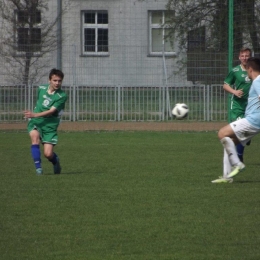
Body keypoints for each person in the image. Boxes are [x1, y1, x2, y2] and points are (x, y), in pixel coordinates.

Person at [214, 57, 260, 180]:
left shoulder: (257, 81)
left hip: (253, 120)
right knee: (228, 142)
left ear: (250, 69)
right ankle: (226, 177)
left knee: (222, 133)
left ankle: (237, 163)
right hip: (256, 123)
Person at [24, 68, 67, 175]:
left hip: (50, 124)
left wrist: (34, 114)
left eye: (59, 81)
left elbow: (51, 111)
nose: (57, 83)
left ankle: (56, 161)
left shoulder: (62, 96)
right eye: (55, 80)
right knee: (35, 139)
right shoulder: (41, 88)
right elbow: (39, 102)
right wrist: (34, 116)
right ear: (49, 80)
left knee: (48, 154)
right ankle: (38, 169)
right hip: (36, 121)